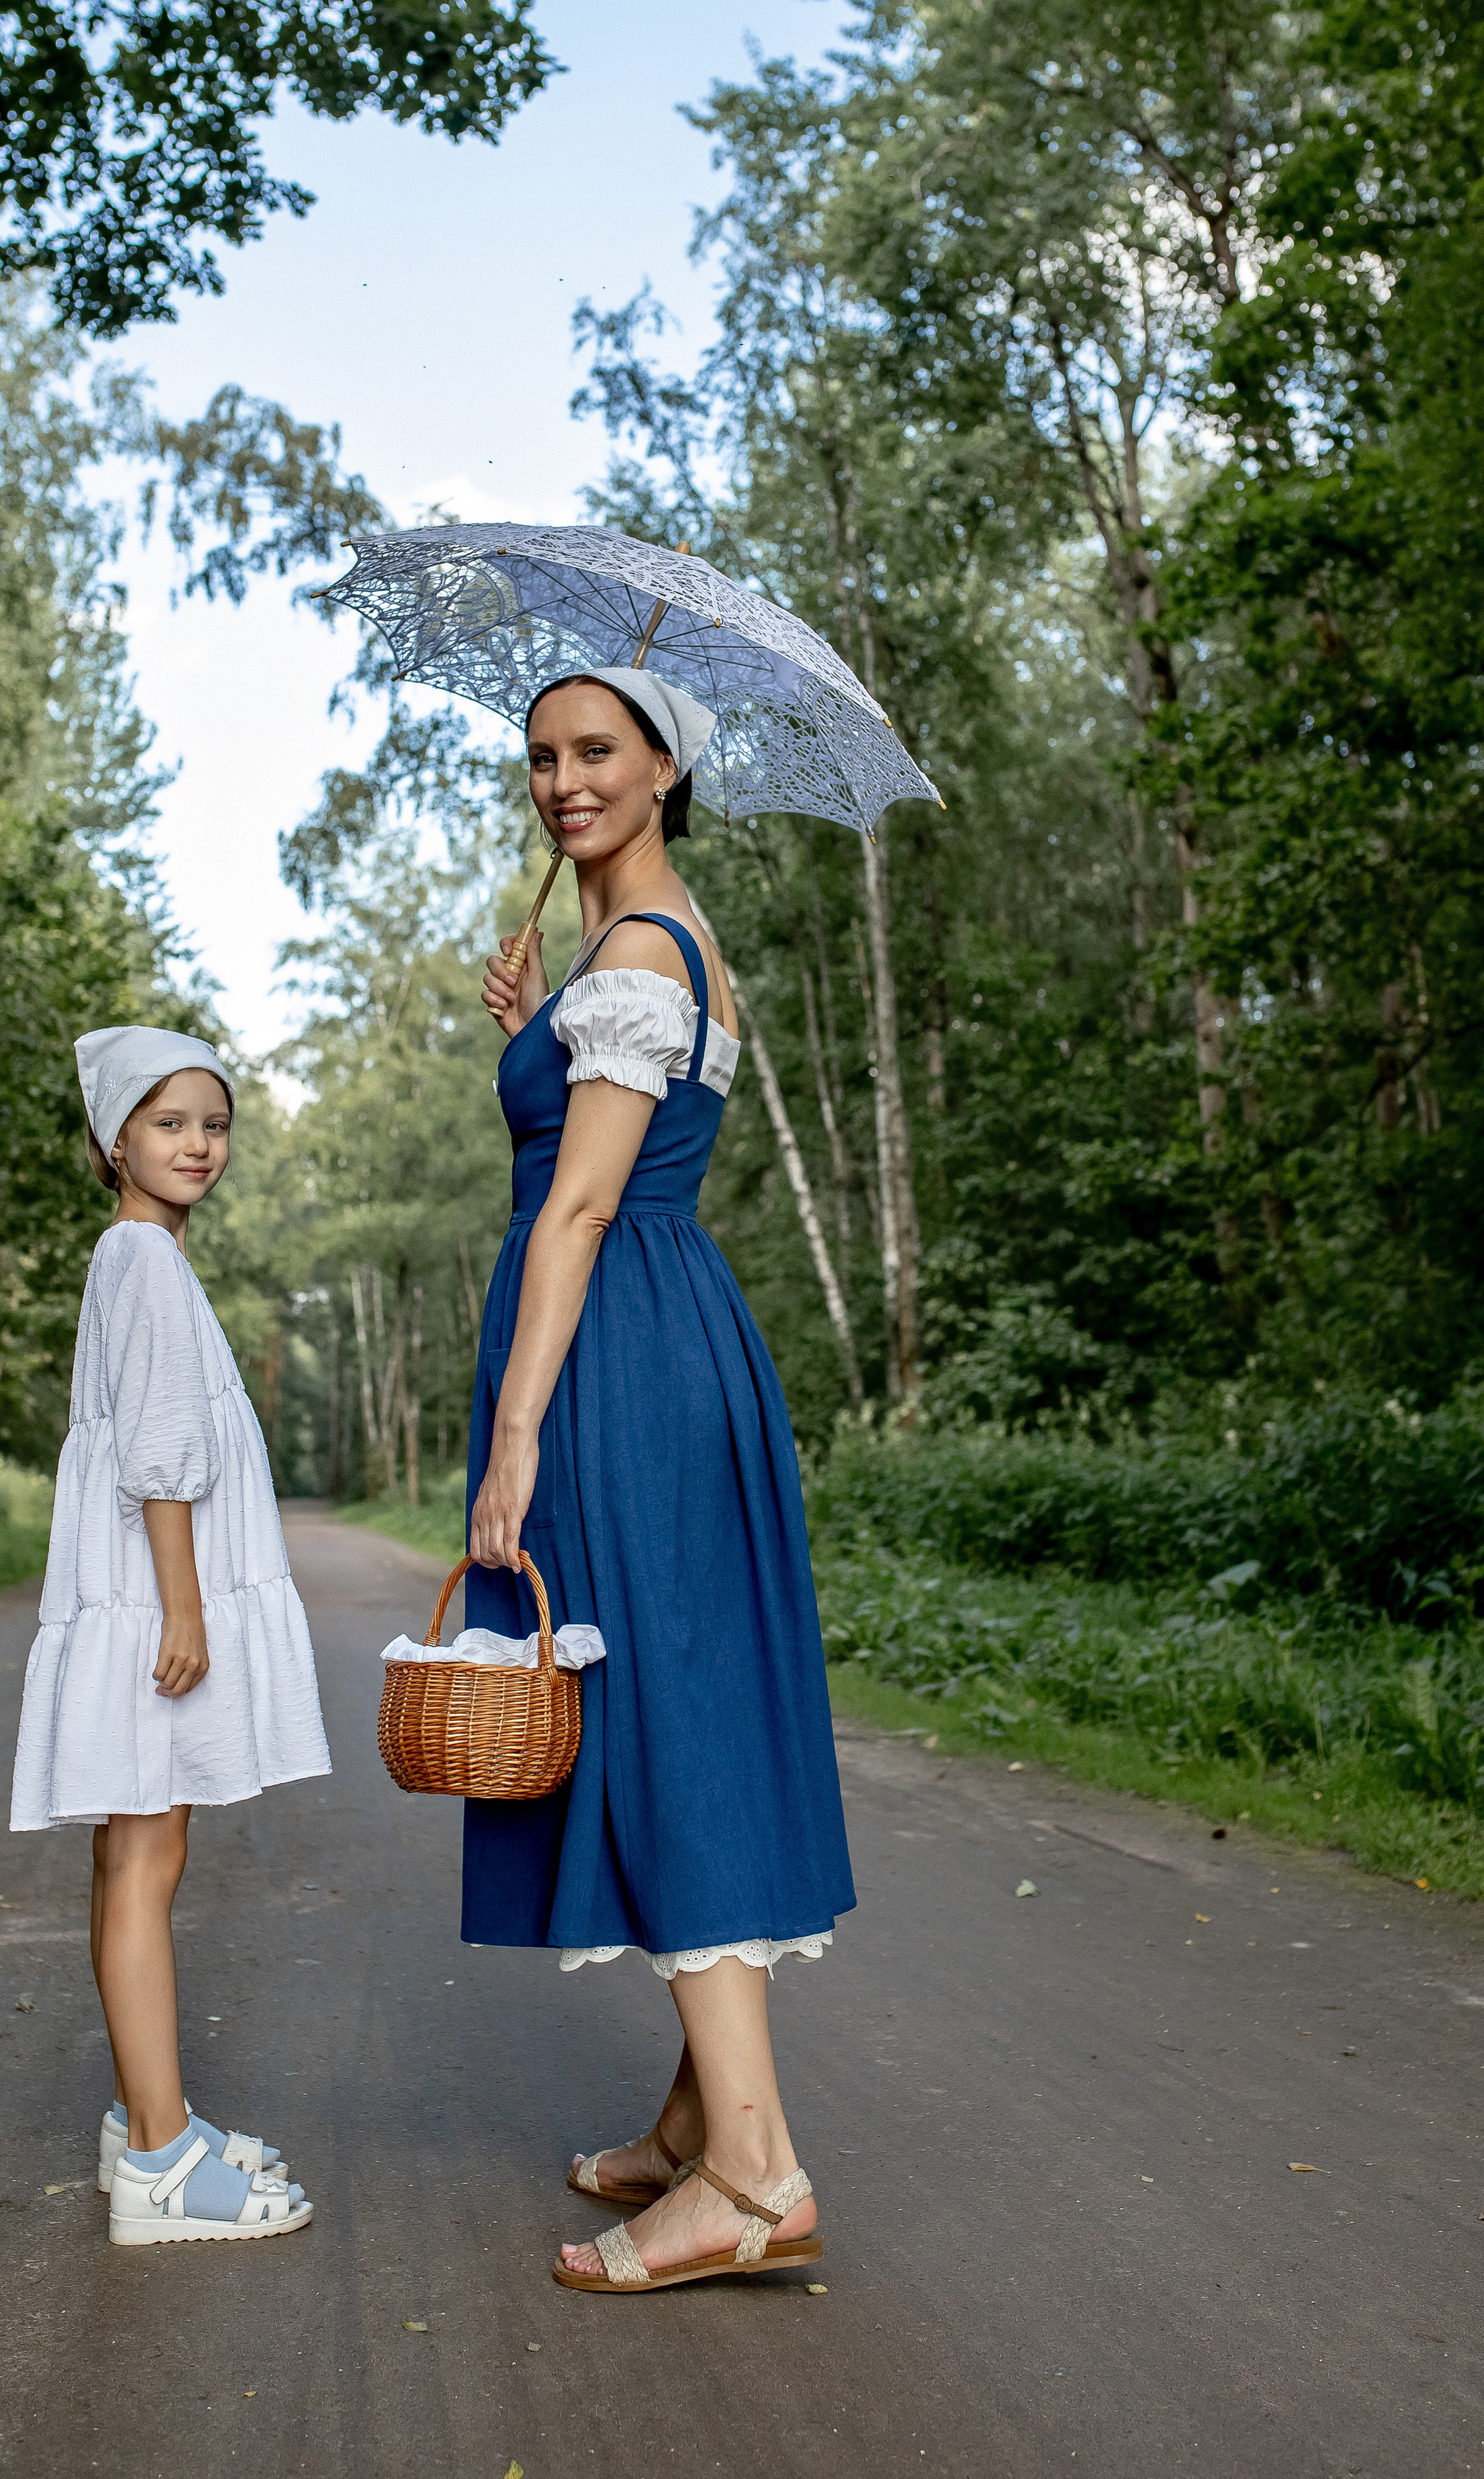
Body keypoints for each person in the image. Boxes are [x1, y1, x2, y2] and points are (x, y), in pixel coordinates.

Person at [468, 666, 855, 2295]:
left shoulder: (639, 956)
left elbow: (575, 1212)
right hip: (665, 1332)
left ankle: (753, 2178)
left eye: (597, 752)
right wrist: (533, 1029)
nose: (562, 781)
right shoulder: (647, 951)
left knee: (659, 1716)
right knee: (681, 1691)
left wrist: (512, 1441)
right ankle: (702, 2120)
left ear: (662, 768)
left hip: (620, 1358)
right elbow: (589, 1154)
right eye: (544, 756)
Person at [10, 1026, 330, 2246]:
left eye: (215, 1122)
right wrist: (185, 1604)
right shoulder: (142, 1259)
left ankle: (152, 2121)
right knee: (148, 1864)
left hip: (138, 1596)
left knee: (128, 1862)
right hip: (154, 1603)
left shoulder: (138, 1258)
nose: (198, 1143)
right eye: (169, 1123)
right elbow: (156, 1452)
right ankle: (158, 2162)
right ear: (114, 1140)